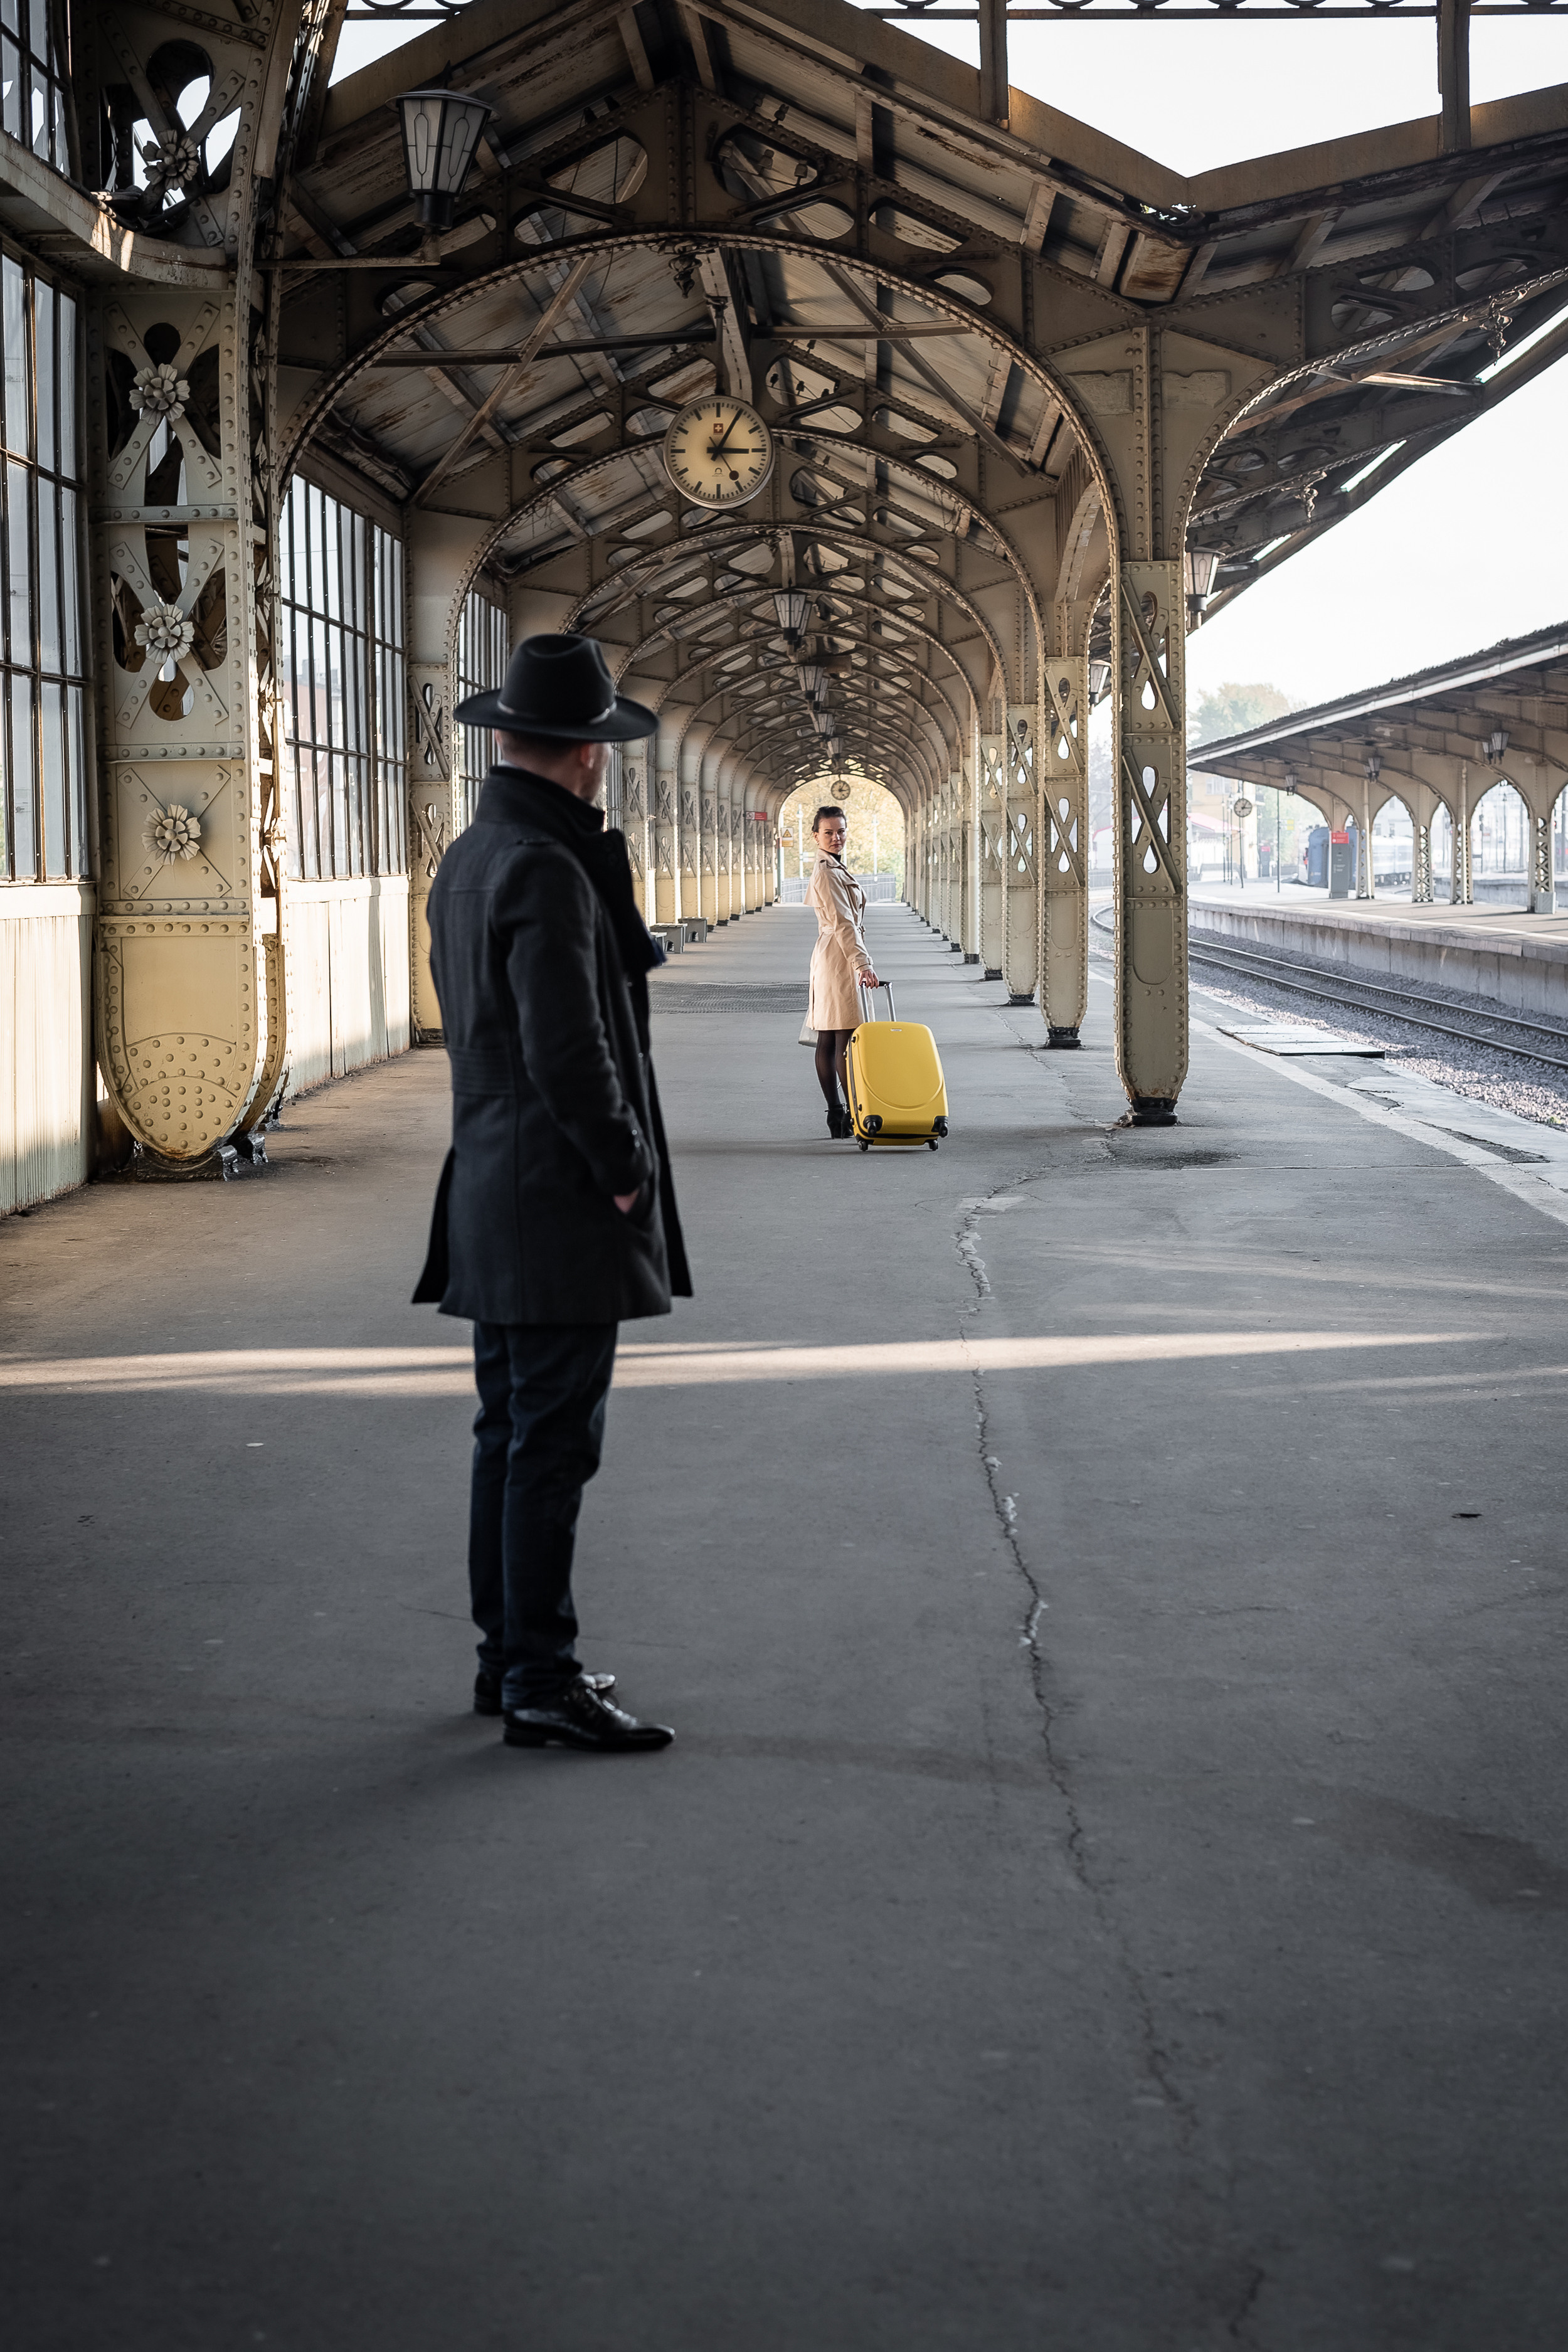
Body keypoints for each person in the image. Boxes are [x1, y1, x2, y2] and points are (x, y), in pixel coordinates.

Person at [412, 632, 691, 1754]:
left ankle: (506, 1660)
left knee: (510, 1436)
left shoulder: (471, 856)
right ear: (585, 756)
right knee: (553, 1444)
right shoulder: (546, 869)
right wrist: (624, 1173)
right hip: (554, 1196)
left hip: (489, 1181)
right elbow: (569, 1053)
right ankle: (541, 1674)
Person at [805, 804, 877, 1138]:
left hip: (833, 955)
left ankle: (839, 1117)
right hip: (839, 959)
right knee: (843, 1040)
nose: (837, 838)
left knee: (831, 1038)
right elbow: (844, 923)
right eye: (829, 832)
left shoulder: (833, 867)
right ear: (816, 835)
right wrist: (862, 964)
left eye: (841, 831)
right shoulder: (828, 872)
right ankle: (854, 1115)